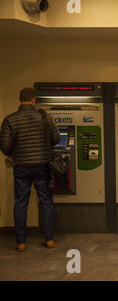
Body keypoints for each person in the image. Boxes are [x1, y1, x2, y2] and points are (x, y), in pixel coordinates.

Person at [0, 87, 60, 252]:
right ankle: (49, 239)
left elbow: (4, 147)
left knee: (21, 203)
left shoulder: (10, 119)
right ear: (33, 100)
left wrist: (16, 152)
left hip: (21, 167)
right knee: (46, 201)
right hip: (42, 165)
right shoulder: (44, 116)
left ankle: (21, 242)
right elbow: (56, 138)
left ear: (20, 100)